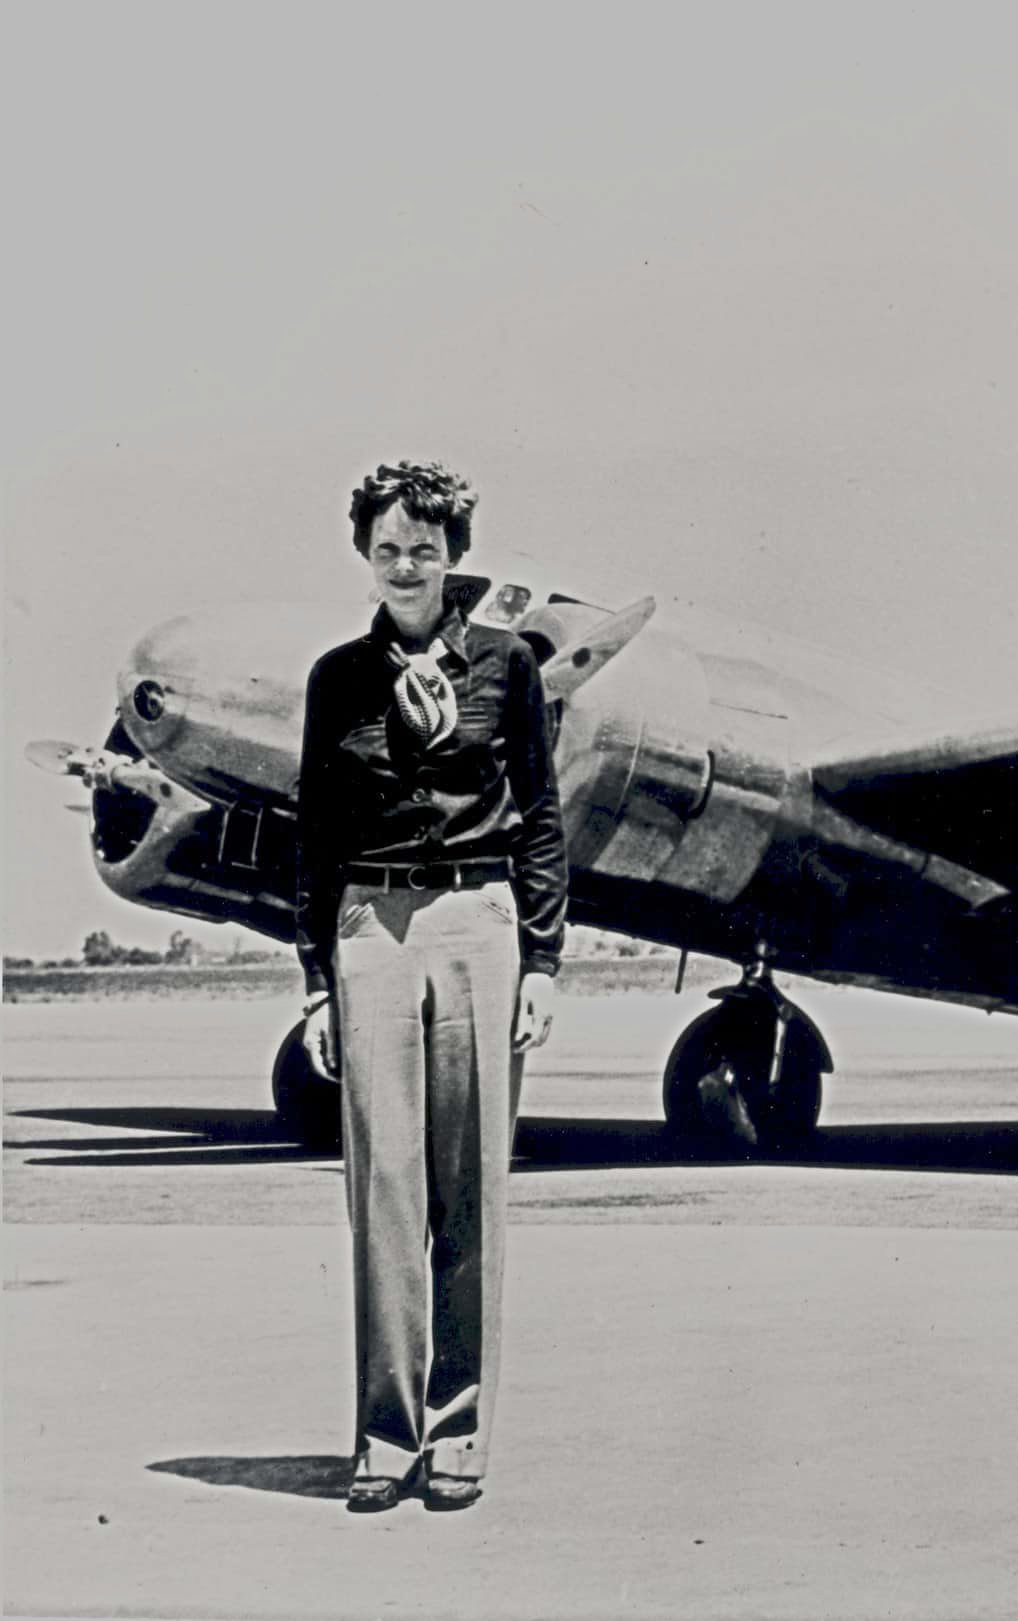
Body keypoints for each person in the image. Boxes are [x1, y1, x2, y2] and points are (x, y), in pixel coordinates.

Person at [295, 460, 567, 1512]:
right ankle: (383, 1435)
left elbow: (539, 818)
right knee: (383, 1195)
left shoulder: (507, 666)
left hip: (477, 923)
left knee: (471, 1194)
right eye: (386, 549)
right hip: (371, 926)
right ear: (363, 556)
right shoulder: (335, 680)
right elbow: (314, 838)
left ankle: (457, 1435)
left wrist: (541, 962)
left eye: (424, 547)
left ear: (453, 554)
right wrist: (318, 979)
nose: (404, 565)